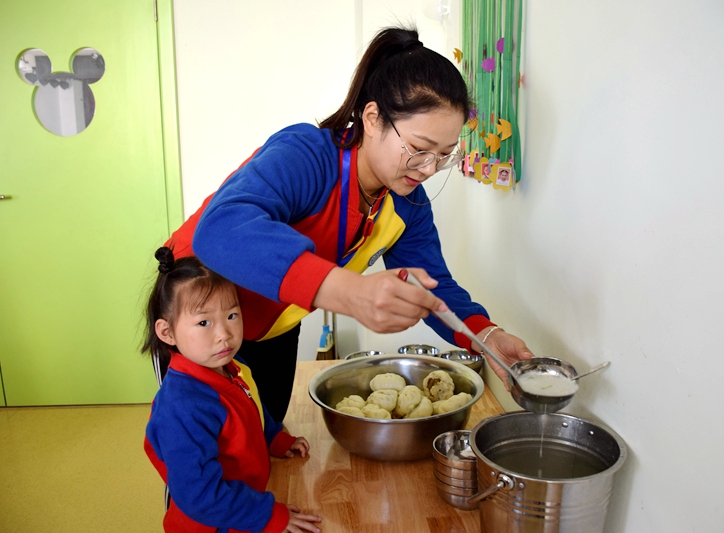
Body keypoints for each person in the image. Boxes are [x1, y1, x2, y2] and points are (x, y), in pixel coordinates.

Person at [164, 26, 534, 423]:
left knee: (266, 438)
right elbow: (219, 230)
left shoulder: (407, 203)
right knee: (206, 449)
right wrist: (349, 291)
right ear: (373, 118)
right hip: (198, 317)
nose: (428, 168)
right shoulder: (306, 156)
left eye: (444, 155)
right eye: (419, 149)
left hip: (275, 323)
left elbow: (432, 286)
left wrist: (487, 337)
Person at [141, 247, 322, 533]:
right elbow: (201, 496)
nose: (224, 334)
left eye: (232, 315)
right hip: (217, 523)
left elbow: (250, 408)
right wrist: (266, 515)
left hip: (246, 504)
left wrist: (274, 437)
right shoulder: (181, 408)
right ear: (167, 332)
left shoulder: (233, 365)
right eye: (204, 322)